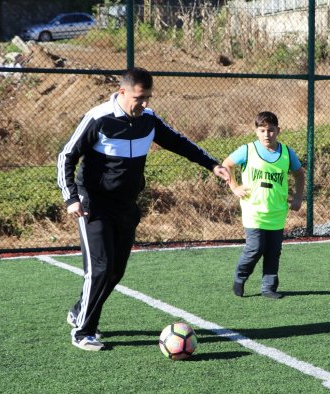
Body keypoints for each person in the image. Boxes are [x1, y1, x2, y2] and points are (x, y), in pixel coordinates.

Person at [57, 67, 230, 351]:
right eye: (140, 97)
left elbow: (178, 142)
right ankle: (83, 331)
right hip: (93, 205)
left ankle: (79, 310)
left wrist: (211, 164)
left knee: (116, 272)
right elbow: (66, 156)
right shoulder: (98, 118)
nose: (145, 103)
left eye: (148, 97)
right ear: (122, 92)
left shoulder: (148, 120)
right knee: (100, 268)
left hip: (126, 205)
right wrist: (71, 198)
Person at [222, 111, 305, 299]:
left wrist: (298, 198)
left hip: (277, 211)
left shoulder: (286, 152)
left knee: (273, 251)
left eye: (271, 130)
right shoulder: (247, 150)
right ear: (256, 132)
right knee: (255, 248)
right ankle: (240, 278)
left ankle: (269, 288)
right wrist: (234, 187)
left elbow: (299, 174)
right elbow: (226, 165)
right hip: (253, 210)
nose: (267, 134)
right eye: (262, 130)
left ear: (278, 130)